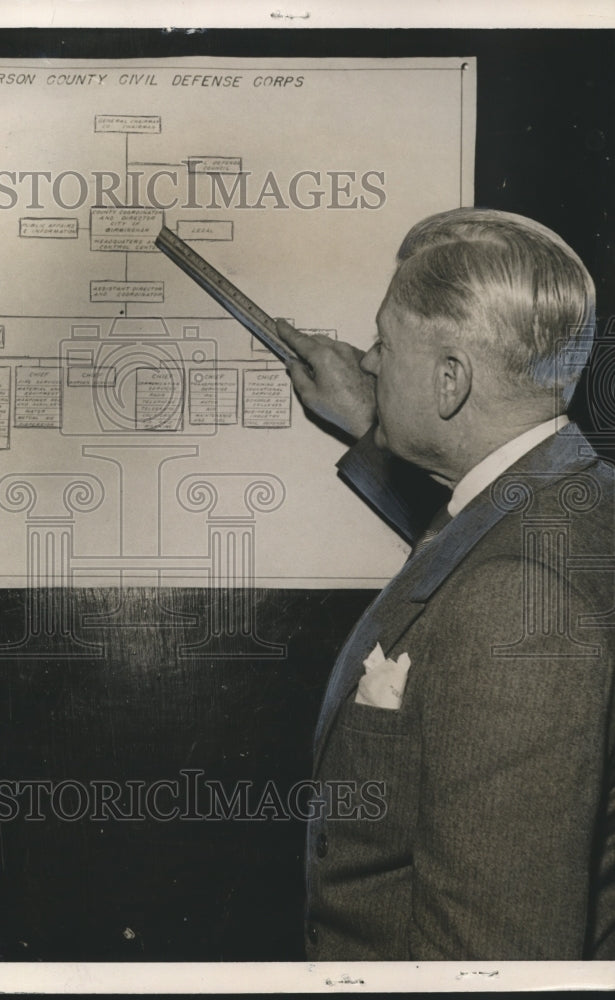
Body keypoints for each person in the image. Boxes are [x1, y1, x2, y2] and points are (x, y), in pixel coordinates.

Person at [276, 208, 615, 960]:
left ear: (451, 379)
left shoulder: (516, 603)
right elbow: (474, 543)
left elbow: (489, 958)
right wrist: (381, 426)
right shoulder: (579, 504)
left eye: (383, 343)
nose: (366, 362)